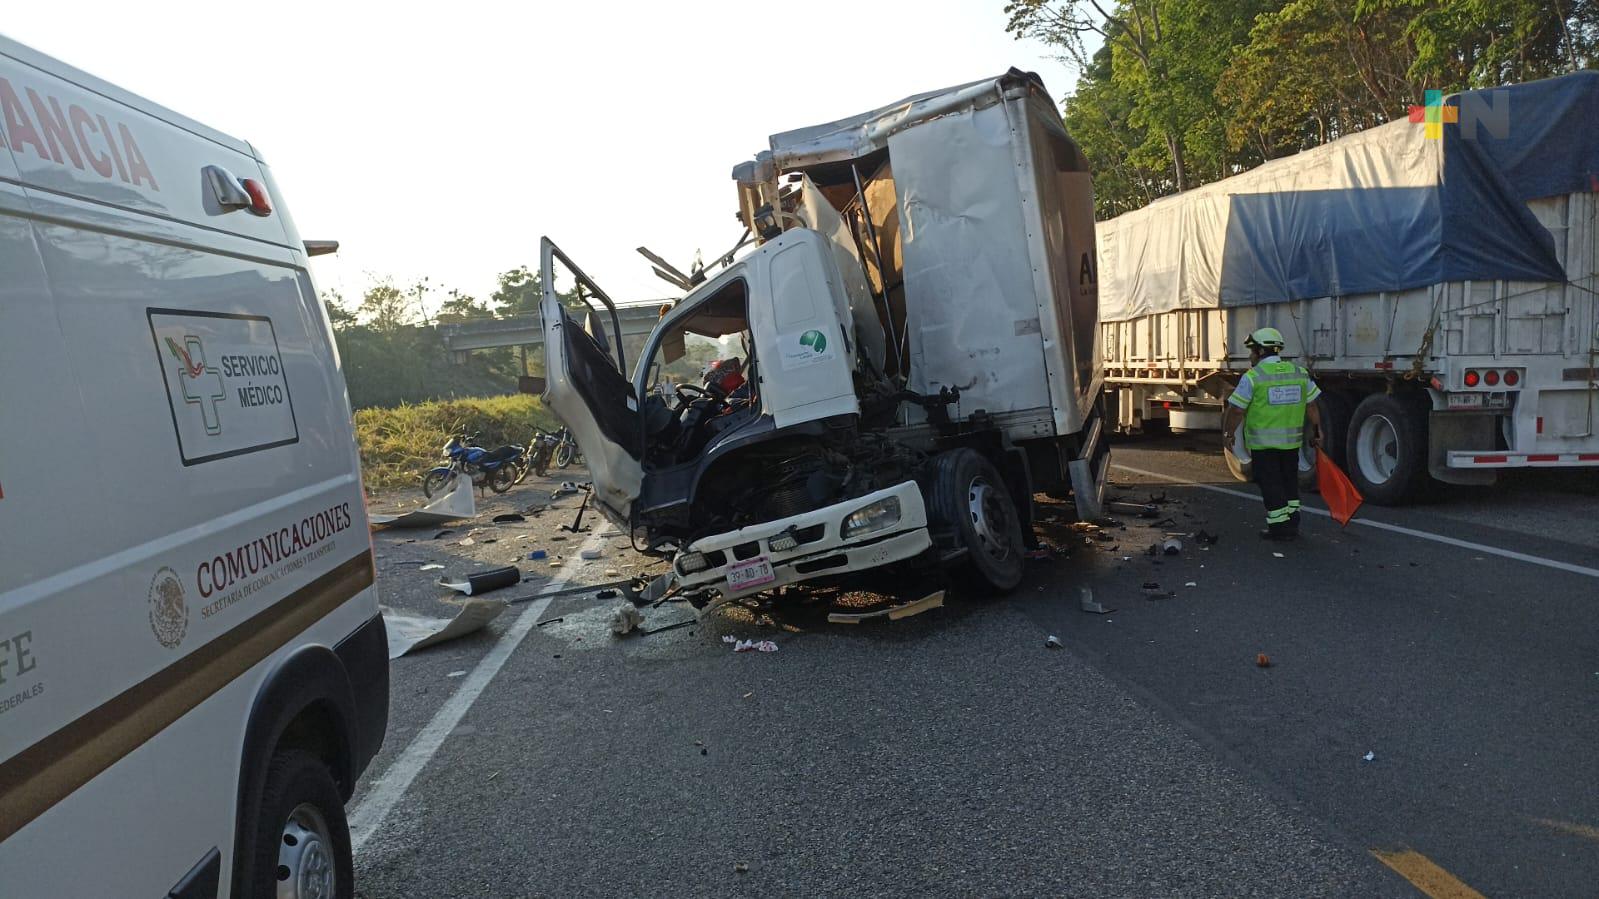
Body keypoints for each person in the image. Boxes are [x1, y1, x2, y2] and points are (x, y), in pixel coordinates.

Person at [1222, 328, 1324, 541]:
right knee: (1289, 482)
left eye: (1252, 351)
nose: (1250, 356)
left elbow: (1237, 410)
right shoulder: (1299, 373)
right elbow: (1312, 406)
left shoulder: (1253, 377)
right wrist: (1317, 431)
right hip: (1291, 444)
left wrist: (1229, 433)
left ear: (1260, 351)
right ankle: (1292, 522)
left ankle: (1279, 528)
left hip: (1264, 445)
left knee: (1271, 484)